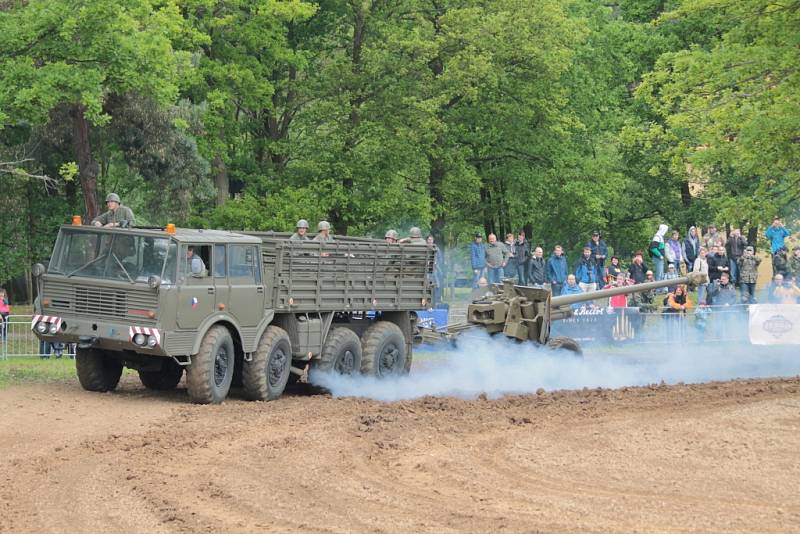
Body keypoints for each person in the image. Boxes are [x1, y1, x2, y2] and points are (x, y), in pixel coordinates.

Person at [426, 236, 444, 306]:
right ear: (427, 240)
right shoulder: (425, 247)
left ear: (433, 240)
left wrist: (437, 263)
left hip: (434, 269)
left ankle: (437, 300)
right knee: (427, 285)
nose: (430, 241)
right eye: (429, 239)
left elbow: (440, 259)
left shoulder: (436, 248)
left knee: (437, 285)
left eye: (431, 239)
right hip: (426, 269)